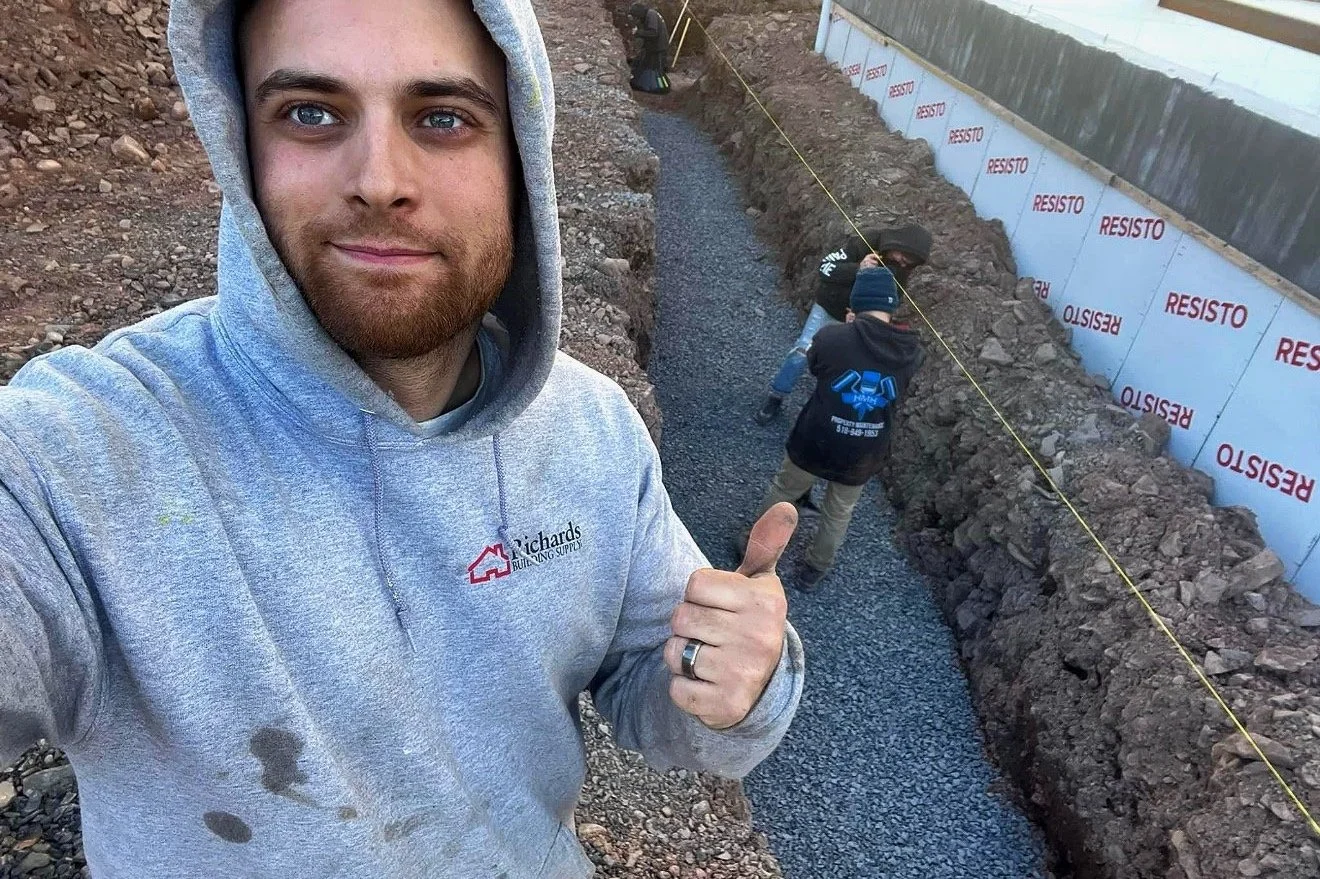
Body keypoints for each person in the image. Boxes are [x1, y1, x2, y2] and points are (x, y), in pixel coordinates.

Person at [0, 0, 805, 875]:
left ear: (520, 165)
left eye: (443, 118)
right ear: (241, 149)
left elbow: (659, 696)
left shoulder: (592, 428)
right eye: (310, 113)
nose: (379, 179)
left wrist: (734, 682)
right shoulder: (81, 452)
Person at [746, 267, 925, 592]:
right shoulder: (911, 351)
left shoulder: (832, 338)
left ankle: (757, 549)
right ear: (891, 304)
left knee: (785, 489)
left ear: (855, 302)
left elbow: (816, 366)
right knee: (838, 512)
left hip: (817, 439)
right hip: (866, 449)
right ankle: (815, 568)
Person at [755, 223, 932, 425]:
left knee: (841, 368)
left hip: (858, 320)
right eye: (904, 256)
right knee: (803, 350)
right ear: (899, 244)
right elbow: (825, 268)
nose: (903, 264)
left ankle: (821, 415)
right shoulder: (865, 242)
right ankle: (776, 396)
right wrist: (858, 269)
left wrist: (863, 316)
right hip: (828, 308)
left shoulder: (902, 268)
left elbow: (892, 299)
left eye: (910, 263)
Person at [628, 2, 672, 94]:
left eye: (636, 16)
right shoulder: (650, 14)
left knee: (655, 69)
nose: (637, 19)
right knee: (643, 64)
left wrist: (638, 32)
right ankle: (648, 84)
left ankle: (659, 87)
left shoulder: (651, 15)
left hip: (657, 48)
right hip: (653, 47)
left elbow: (653, 33)